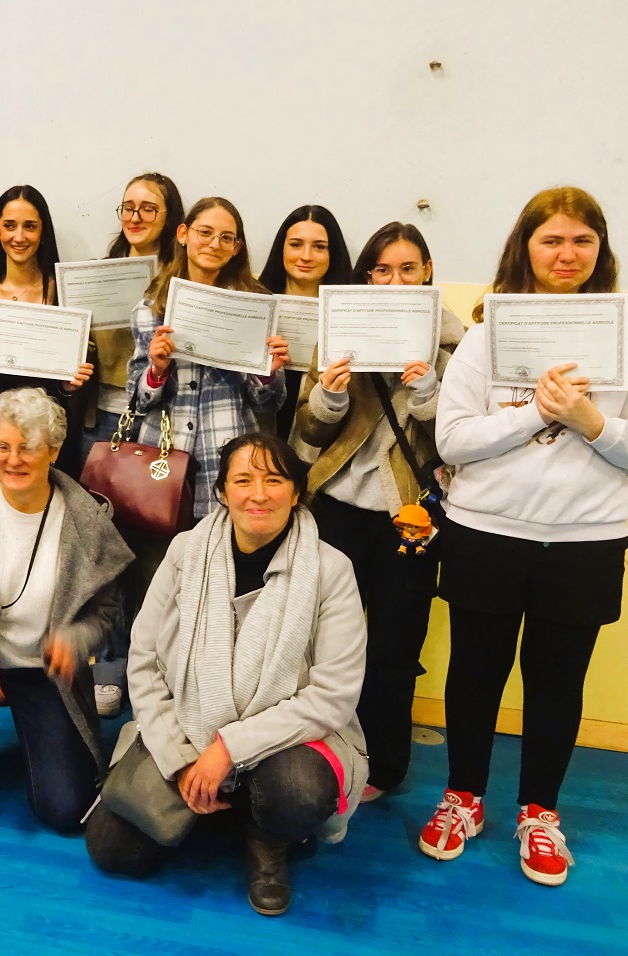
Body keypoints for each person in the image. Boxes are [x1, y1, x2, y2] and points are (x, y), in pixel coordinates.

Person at [419, 187, 628, 886]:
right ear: (524, 248)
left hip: (586, 544)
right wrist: (537, 411)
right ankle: (463, 797)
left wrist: (592, 421)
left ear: (601, 250)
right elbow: (453, 440)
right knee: (475, 675)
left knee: (558, 684)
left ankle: (539, 813)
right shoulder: (484, 336)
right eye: (551, 240)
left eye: (582, 240)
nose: (567, 254)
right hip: (486, 535)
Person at [85, 432, 368, 916]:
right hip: (188, 731)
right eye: (243, 480)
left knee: (297, 792)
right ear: (222, 492)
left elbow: (333, 695)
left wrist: (228, 749)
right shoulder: (185, 553)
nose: (258, 494)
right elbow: (145, 661)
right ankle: (213, 804)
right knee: (113, 849)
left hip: (286, 745)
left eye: (274, 480)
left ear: (296, 493)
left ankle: (267, 840)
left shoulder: (331, 570)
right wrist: (180, 759)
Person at [292, 221, 463, 803]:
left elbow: (461, 445)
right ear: (366, 277)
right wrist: (331, 394)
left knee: (394, 645)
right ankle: (314, 746)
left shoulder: (456, 345)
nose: (395, 281)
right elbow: (308, 431)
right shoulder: (339, 329)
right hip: (336, 509)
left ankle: (384, 765)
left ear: (427, 273)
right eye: (382, 270)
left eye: (408, 269)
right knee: (320, 637)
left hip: (408, 515)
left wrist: (429, 393)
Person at [0, 388, 134, 830]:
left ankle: (41, 734)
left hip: (45, 672)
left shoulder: (87, 522)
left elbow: (107, 613)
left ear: (53, 451)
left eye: (27, 447)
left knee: (65, 811)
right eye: (2, 446)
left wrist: (74, 640)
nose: (12, 460)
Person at [85, 172, 184, 720]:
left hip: (156, 425)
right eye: (127, 206)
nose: (136, 217)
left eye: (149, 208)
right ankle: (107, 665)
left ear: (171, 218)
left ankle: (150, 671)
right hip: (101, 420)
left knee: (151, 557)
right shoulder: (98, 274)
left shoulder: (183, 279)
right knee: (103, 554)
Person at [128, 196, 290, 523]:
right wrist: (157, 371)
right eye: (205, 232)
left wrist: (267, 374)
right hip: (162, 459)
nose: (214, 244)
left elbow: (269, 403)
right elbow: (136, 401)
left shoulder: (255, 308)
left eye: (226, 238)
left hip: (230, 457)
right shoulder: (149, 310)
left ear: (236, 248)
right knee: (161, 551)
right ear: (183, 234)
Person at [0, 185, 93, 475]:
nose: (19, 237)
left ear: (43, 231)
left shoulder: (67, 296)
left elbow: (74, 387)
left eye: (30, 226)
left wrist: (70, 386)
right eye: (10, 226)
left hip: (50, 442)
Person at [256, 204, 353, 441]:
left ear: (333, 253)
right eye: (296, 244)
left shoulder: (350, 316)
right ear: (281, 248)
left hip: (320, 442)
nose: (306, 256)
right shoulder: (254, 305)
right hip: (259, 436)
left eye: (319, 247)